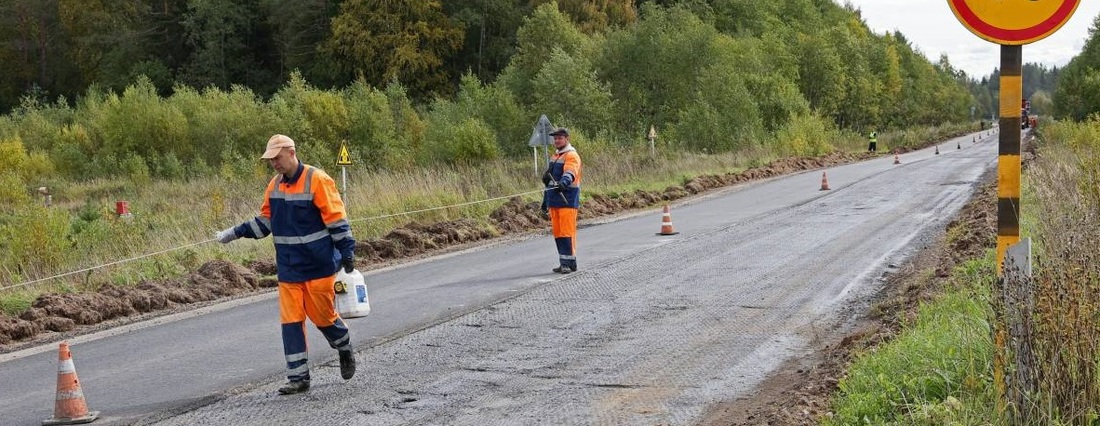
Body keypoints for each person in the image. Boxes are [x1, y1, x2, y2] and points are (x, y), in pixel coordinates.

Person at [214, 134, 357, 395]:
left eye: (277, 158)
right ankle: (298, 378)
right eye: (271, 161)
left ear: (291, 153)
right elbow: (265, 223)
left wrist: (347, 252)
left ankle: (343, 344)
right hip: (289, 269)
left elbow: (336, 219)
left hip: (319, 265)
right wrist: (234, 232)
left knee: (322, 317)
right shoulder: (274, 186)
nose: (274, 164)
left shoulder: (317, 180)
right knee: (291, 321)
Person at [542, 127, 582, 274]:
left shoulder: (571, 155)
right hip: (554, 200)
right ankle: (564, 262)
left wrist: (563, 182)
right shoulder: (555, 156)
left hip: (567, 199)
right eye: (555, 138)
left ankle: (569, 263)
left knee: (567, 232)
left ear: (567, 139)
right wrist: (545, 201)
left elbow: (571, 172)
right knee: (558, 233)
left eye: (560, 138)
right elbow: (549, 182)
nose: (557, 140)